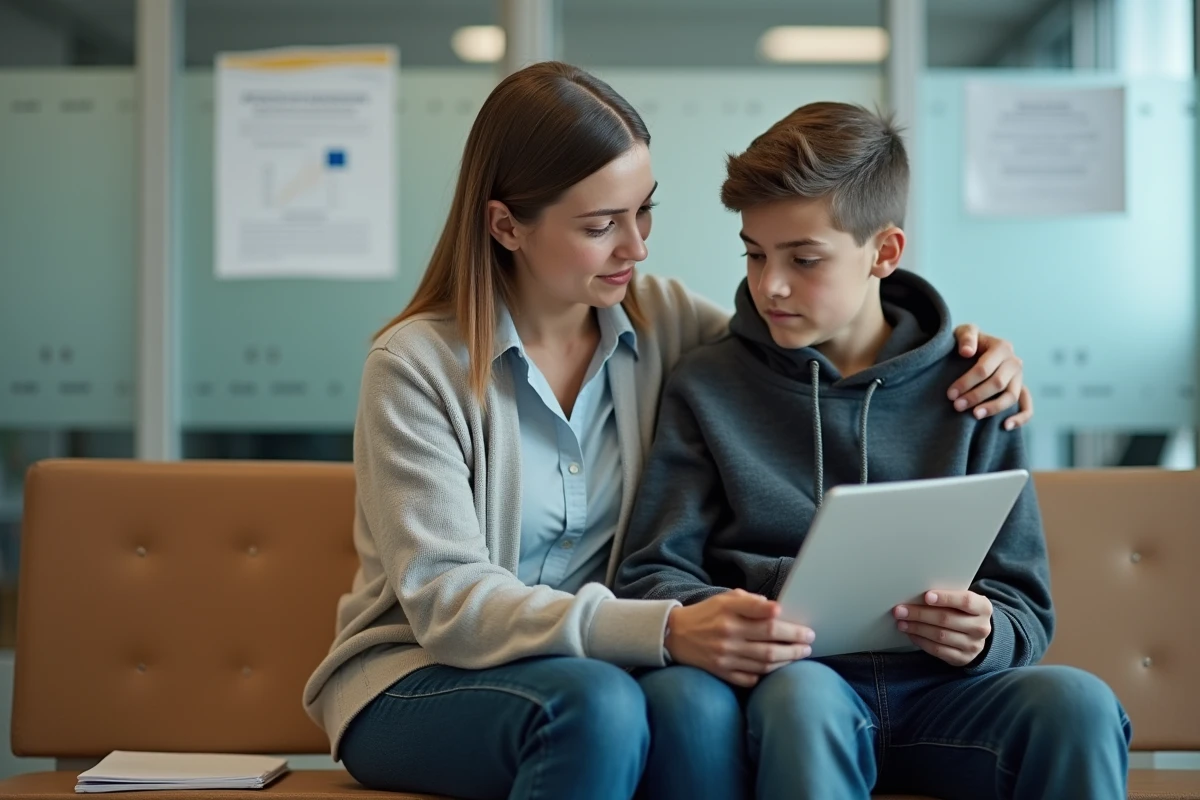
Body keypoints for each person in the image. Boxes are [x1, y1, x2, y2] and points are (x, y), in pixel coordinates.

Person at [302, 63, 1035, 800]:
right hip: (422, 676)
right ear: (506, 226)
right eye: (600, 226)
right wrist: (660, 630)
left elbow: (814, 350)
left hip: (600, 670)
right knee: (598, 708)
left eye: (642, 211)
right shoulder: (414, 367)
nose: (637, 247)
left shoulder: (663, 322)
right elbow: (448, 603)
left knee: (678, 708)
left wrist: (963, 353)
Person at [614, 101, 1130, 800]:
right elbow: (651, 574)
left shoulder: (974, 388)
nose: (770, 284)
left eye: (804, 259)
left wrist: (985, 632)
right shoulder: (709, 386)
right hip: (800, 685)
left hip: (946, 695)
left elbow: (1022, 603)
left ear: (885, 252)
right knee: (804, 700)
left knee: (1079, 705)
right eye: (755, 253)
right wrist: (736, 614)